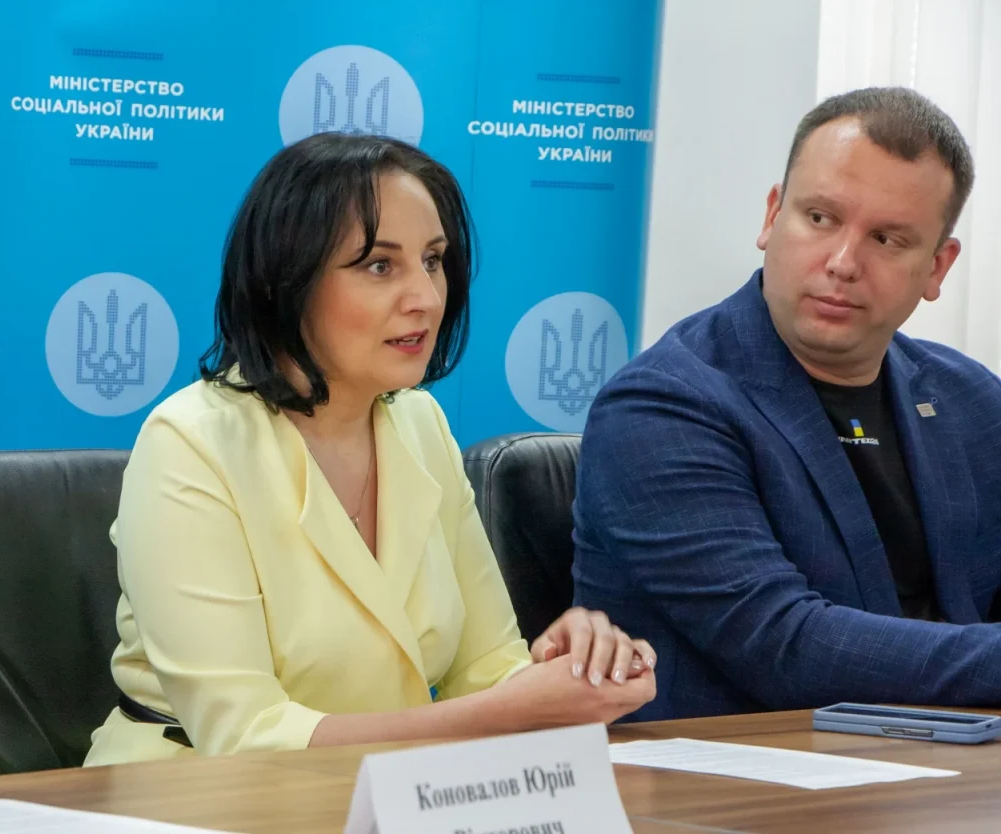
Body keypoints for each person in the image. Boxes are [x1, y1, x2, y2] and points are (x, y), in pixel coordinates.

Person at [85, 133, 656, 765]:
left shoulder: (420, 423)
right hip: (187, 791)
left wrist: (570, 669)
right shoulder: (190, 441)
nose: (427, 298)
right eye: (380, 266)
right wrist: (517, 707)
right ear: (285, 281)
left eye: (433, 260)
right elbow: (245, 736)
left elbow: (487, 670)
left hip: (382, 786)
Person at [572, 86, 1001, 721]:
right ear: (773, 216)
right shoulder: (661, 406)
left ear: (937, 267)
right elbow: (784, 647)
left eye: (887, 239)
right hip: (730, 772)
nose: (843, 263)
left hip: (947, 759)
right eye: (820, 218)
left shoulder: (971, 400)